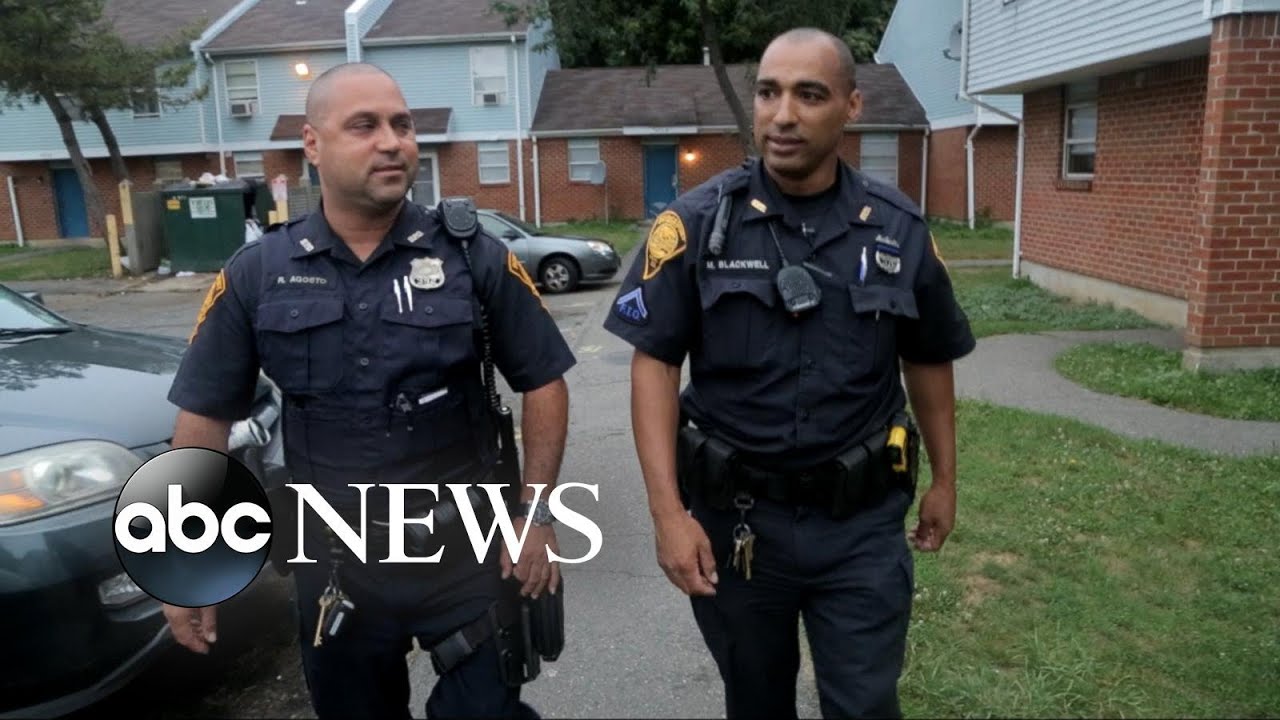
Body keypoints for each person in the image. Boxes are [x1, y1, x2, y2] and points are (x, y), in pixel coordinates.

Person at [163, 62, 574, 720]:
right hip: (335, 565)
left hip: (468, 557)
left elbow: (544, 380)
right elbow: (205, 416)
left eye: (402, 125)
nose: (392, 141)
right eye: (365, 126)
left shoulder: (474, 256)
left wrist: (536, 514)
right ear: (313, 144)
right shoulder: (257, 273)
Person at [602, 28, 975, 719]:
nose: (783, 114)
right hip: (739, 526)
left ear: (851, 107)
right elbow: (653, 362)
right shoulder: (697, 223)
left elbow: (928, 357)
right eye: (769, 92)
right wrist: (666, 515)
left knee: (866, 705)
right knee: (756, 701)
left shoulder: (896, 229)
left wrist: (948, 481)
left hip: (860, 526)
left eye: (810, 95)